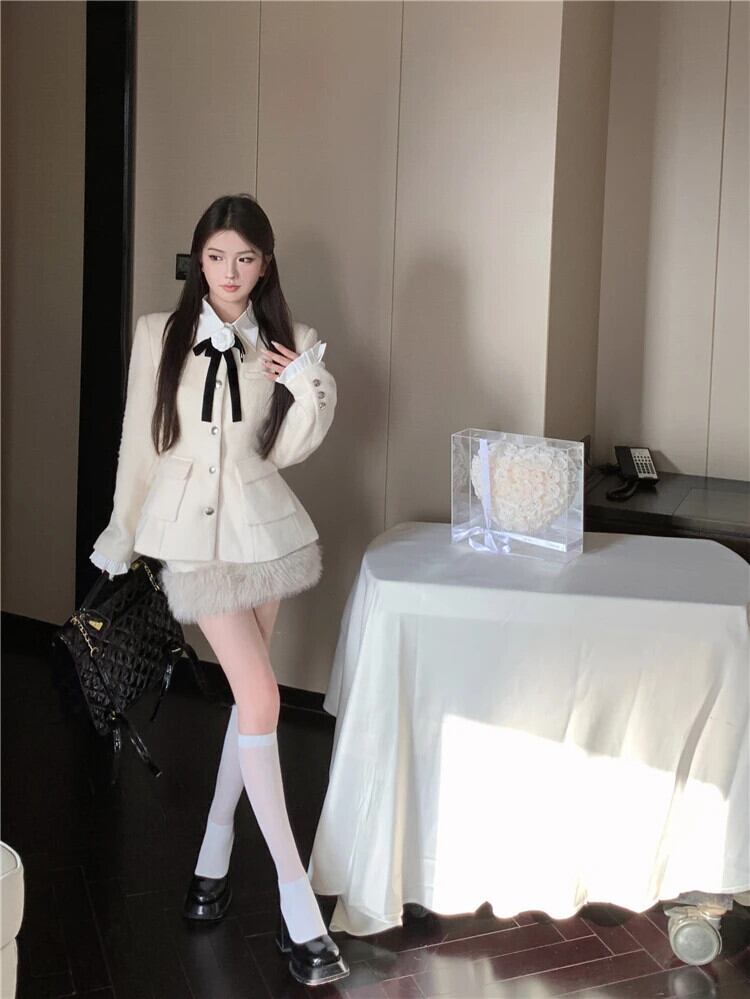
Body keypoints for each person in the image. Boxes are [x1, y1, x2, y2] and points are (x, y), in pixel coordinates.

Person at [89, 193, 349, 988]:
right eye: (215, 257)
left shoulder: (287, 340)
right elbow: (140, 443)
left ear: (265, 265)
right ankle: (296, 901)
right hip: (188, 538)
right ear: (197, 259)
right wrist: (122, 533)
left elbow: (290, 448)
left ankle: (213, 851)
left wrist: (309, 381)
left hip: (262, 531)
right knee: (263, 698)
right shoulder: (157, 334)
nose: (229, 272)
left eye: (245, 259)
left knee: (249, 698)